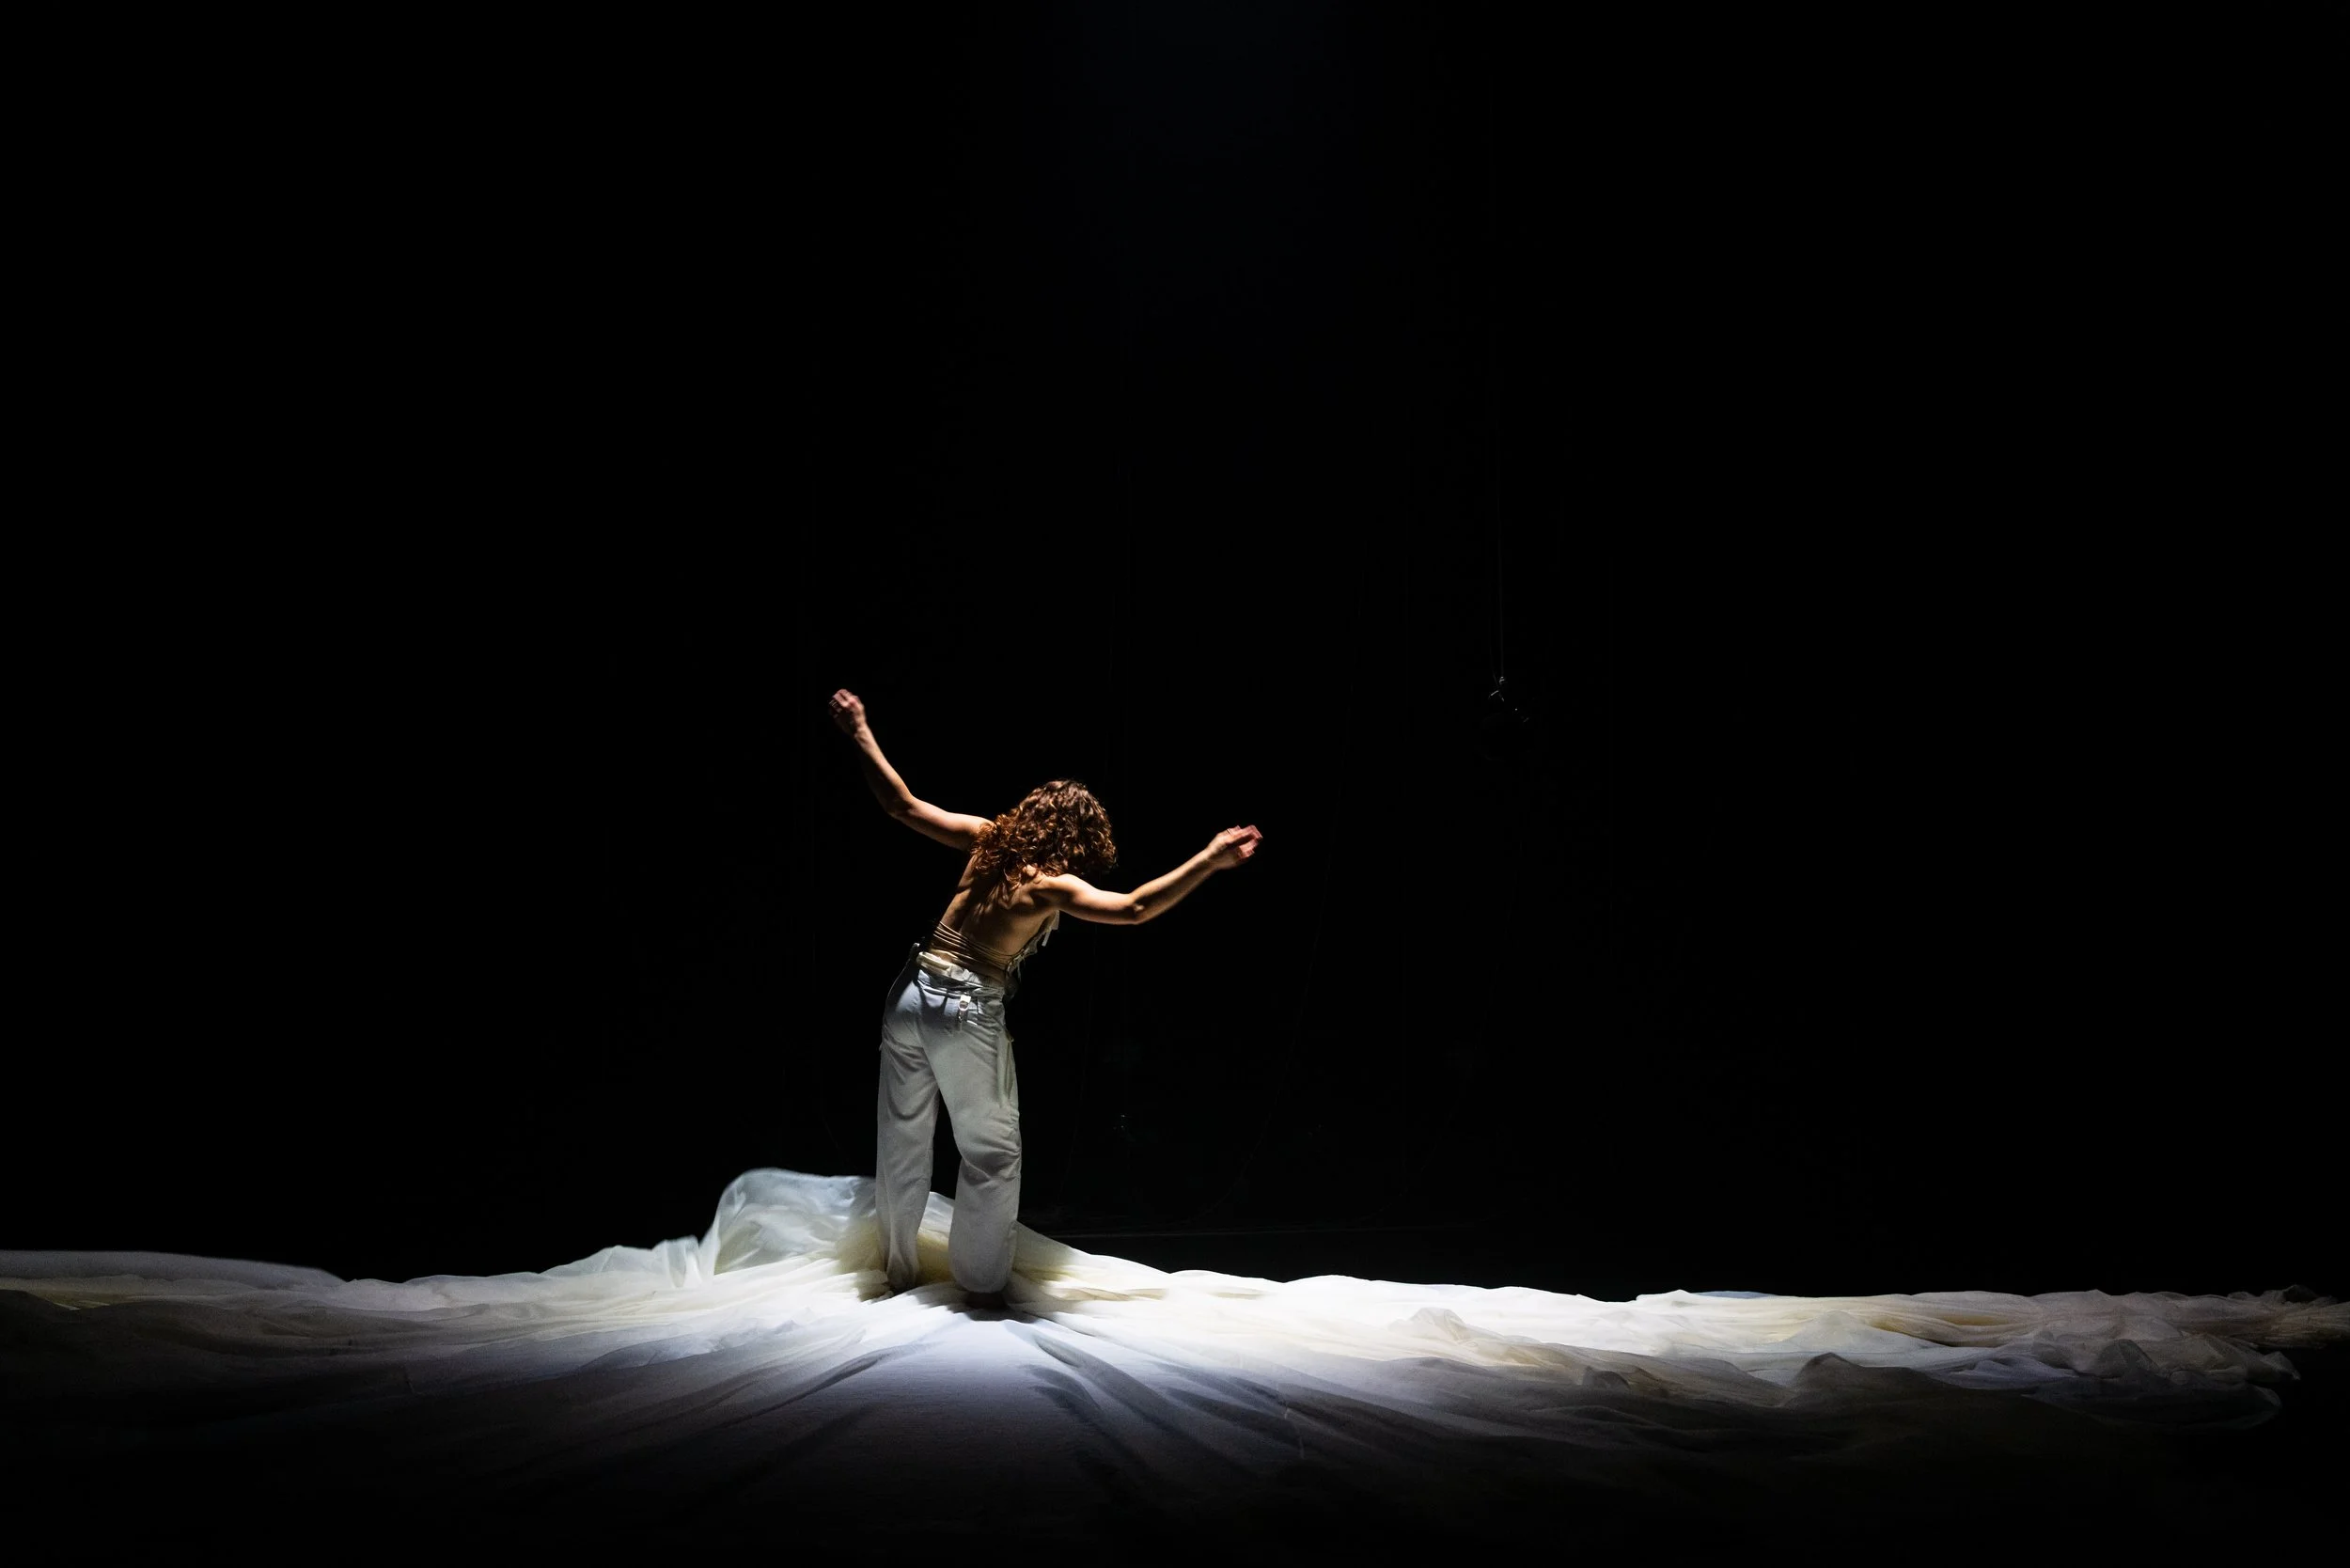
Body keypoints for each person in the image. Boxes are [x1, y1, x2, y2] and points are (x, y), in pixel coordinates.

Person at [827, 687, 1262, 1310]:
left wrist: (860, 729)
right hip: (962, 1007)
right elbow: (1134, 908)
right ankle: (980, 1286)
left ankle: (899, 1274)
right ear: (1080, 838)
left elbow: (901, 805)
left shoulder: (985, 839)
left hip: (909, 992)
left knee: (902, 1140)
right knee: (991, 1153)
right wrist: (1210, 859)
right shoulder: (1051, 886)